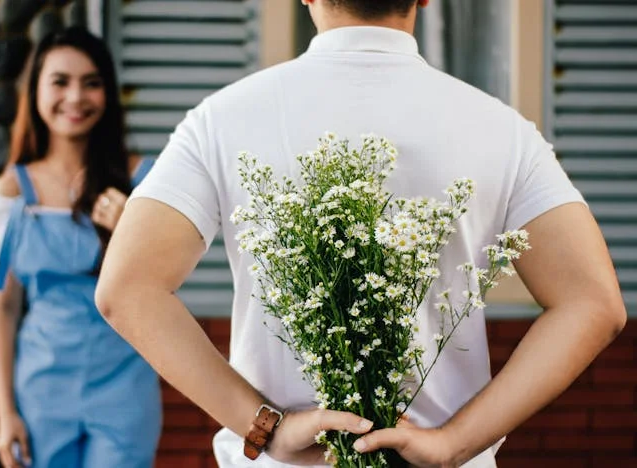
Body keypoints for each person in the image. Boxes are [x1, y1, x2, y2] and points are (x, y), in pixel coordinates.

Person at [94, 1, 627, 467]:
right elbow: (594, 304)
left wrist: (265, 428)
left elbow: (126, 289)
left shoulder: (222, 119)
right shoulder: (503, 130)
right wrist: (454, 444)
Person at [0, 27, 160, 468]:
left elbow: (165, 287)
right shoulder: (10, 193)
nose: (75, 97)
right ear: (36, 90)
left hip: (126, 384)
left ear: (108, 94)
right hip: (41, 390)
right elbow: (2, 308)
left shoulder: (145, 182)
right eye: (60, 81)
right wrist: (6, 413)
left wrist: (130, 230)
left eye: (91, 82)